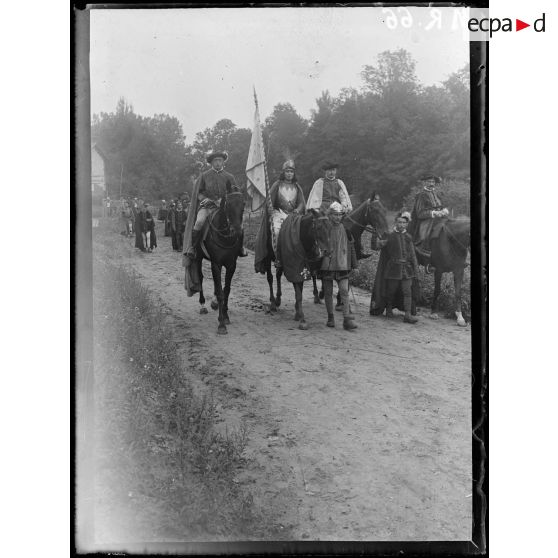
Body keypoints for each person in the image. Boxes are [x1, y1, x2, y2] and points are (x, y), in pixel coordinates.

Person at [184, 150, 247, 258]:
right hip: (207, 206)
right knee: (199, 222)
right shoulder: (204, 176)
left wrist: (227, 201)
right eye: (215, 161)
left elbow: (235, 193)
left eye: (220, 160)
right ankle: (193, 248)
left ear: (223, 162)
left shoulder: (230, 177)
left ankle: (240, 248)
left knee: (240, 224)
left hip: (226, 207)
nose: (218, 163)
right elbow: (198, 193)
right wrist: (205, 199)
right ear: (211, 163)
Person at [254, 160, 306, 271]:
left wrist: (298, 209)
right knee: (277, 231)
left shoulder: (297, 187)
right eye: (287, 171)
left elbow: (301, 202)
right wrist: (270, 209)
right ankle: (278, 257)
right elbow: (270, 201)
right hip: (279, 214)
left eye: (291, 172)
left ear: (294, 173)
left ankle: (303, 258)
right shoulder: (277, 184)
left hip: (293, 215)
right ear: (283, 172)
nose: (289, 174)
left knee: (303, 232)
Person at [318, 202, 358, 330]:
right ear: (330, 215)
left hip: (342, 265)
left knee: (344, 291)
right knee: (328, 292)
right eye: (335, 215)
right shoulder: (325, 228)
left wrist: (354, 265)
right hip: (327, 265)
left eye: (340, 215)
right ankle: (330, 317)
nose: (337, 217)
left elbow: (351, 248)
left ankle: (347, 319)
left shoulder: (346, 229)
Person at [375, 212, 419, 324]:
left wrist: (416, 269)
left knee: (407, 291)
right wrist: (380, 243)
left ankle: (408, 314)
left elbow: (413, 255)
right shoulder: (389, 235)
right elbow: (377, 246)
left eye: (404, 222)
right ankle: (389, 308)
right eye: (399, 222)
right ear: (396, 222)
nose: (401, 224)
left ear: (407, 224)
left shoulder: (409, 237)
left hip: (407, 270)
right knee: (391, 290)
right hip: (393, 269)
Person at [409, 174, 449, 267]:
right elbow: (420, 213)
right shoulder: (421, 195)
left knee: (452, 228)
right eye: (429, 182)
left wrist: (444, 210)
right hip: (425, 220)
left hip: (439, 218)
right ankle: (428, 260)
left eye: (433, 182)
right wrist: (434, 213)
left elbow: (440, 206)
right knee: (425, 237)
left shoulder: (436, 193)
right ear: (425, 182)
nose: (431, 184)